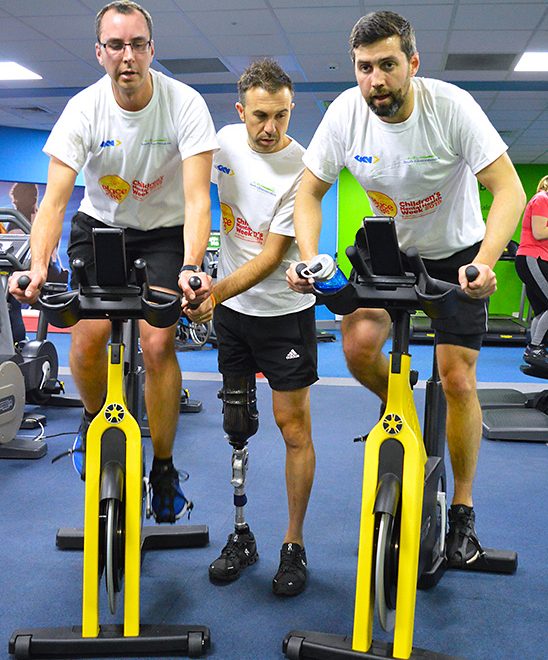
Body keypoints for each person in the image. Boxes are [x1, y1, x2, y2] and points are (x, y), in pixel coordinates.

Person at [286, 10, 526, 568]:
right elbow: (307, 193)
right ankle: (406, 422)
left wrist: (486, 264)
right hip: (389, 249)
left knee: (458, 377)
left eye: (388, 65)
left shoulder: (452, 107)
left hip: (457, 253)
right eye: (365, 68)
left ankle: (463, 512)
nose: (377, 80)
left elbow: (509, 189)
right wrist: (307, 257)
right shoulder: (346, 113)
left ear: (412, 64)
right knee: (356, 346)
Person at [9, 0, 218, 523]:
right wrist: (38, 267)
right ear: (99, 52)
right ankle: (90, 418)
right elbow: (54, 201)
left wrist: (193, 264)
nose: (128, 56)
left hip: (164, 233)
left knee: (157, 338)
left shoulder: (185, 103)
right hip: (100, 229)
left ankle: (165, 467)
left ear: (152, 49)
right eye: (116, 45)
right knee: (87, 334)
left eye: (138, 44)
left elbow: (197, 199)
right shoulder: (83, 109)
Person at [185, 59, 317, 596]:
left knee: (293, 428)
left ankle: (293, 543)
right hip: (235, 316)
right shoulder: (221, 146)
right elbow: (195, 200)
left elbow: (269, 258)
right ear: (240, 111)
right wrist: (199, 278)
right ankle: (242, 535)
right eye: (260, 116)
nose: (271, 128)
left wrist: (212, 294)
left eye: (281, 116)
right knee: (236, 425)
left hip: (283, 313)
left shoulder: (302, 166)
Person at [515, 175, 548, 369]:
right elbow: (539, 232)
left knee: (542, 309)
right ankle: (536, 348)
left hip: (537, 258)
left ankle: (536, 348)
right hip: (532, 258)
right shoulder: (542, 199)